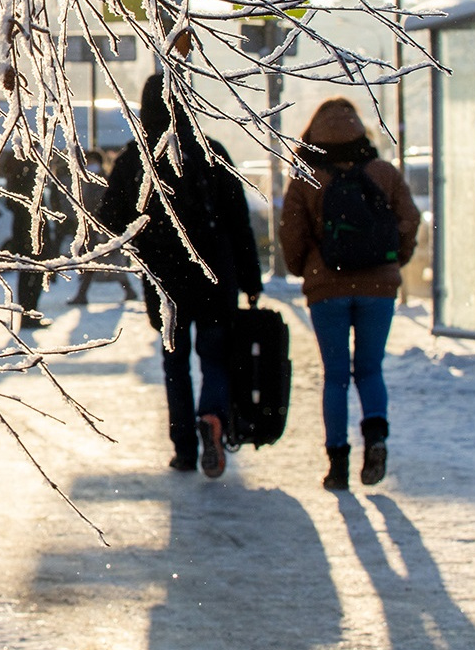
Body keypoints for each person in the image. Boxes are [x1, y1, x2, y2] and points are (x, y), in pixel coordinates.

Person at [99, 74, 262, 477]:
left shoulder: (136, 159)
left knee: (175, 365)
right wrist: (251, 280)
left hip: (164, 282)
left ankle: (185, 449)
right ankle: (212, 416)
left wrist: (144, 237)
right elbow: (239, 224)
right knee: (215, 357)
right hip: (214, 276)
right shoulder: (211, 153)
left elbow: (109, 220)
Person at [281, 97, 420, 491]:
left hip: (328, 289)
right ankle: (375, 437)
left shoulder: (308, 177)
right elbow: (409, 219)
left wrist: (304, 267)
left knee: (336, 376)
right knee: (371, 369)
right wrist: (394, 260)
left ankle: (337, 463)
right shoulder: (382, 172)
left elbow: (292, 232)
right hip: (378, 287)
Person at [66, 149, 138, 304]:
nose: (90, 165)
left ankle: (126, 290)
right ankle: (84, 294)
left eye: (92, 161)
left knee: (105, 259)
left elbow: (103, 202)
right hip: (93, 225)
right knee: (95, 260)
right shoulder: (89, 180)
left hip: (101, 226)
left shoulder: (104, 179)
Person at [5, 153, 50, 329]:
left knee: (28, 275)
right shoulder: (26, 173)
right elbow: (27, 206)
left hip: (25, 233)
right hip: (31, 234)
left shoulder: (16, 174)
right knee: (33, 275)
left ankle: (28, 315)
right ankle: (29, 315)